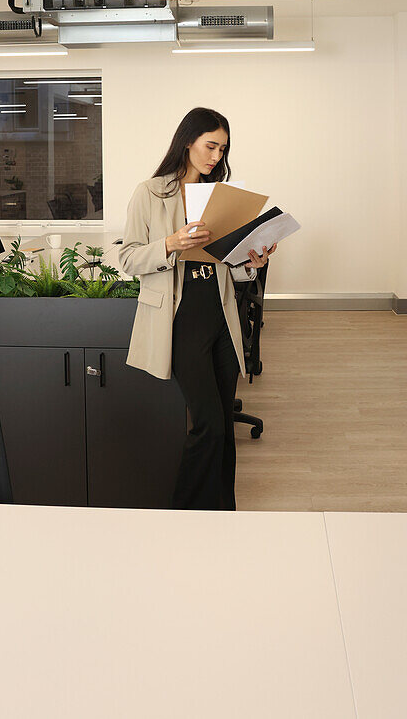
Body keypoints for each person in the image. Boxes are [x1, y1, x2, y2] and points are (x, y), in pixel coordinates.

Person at [118, 106, 277, 510]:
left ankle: (224, 510)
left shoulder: (218, 198)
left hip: (220, 316)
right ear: (187, 141)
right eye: (210, 146)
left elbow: (228, 267)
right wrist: (171, 243)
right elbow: (129, 260)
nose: (216, 157)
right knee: (207, 423)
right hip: (180, 317)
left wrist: (250, 261)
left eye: (222, 150)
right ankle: (184, 513)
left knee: (223, 424)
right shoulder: (150, 192)